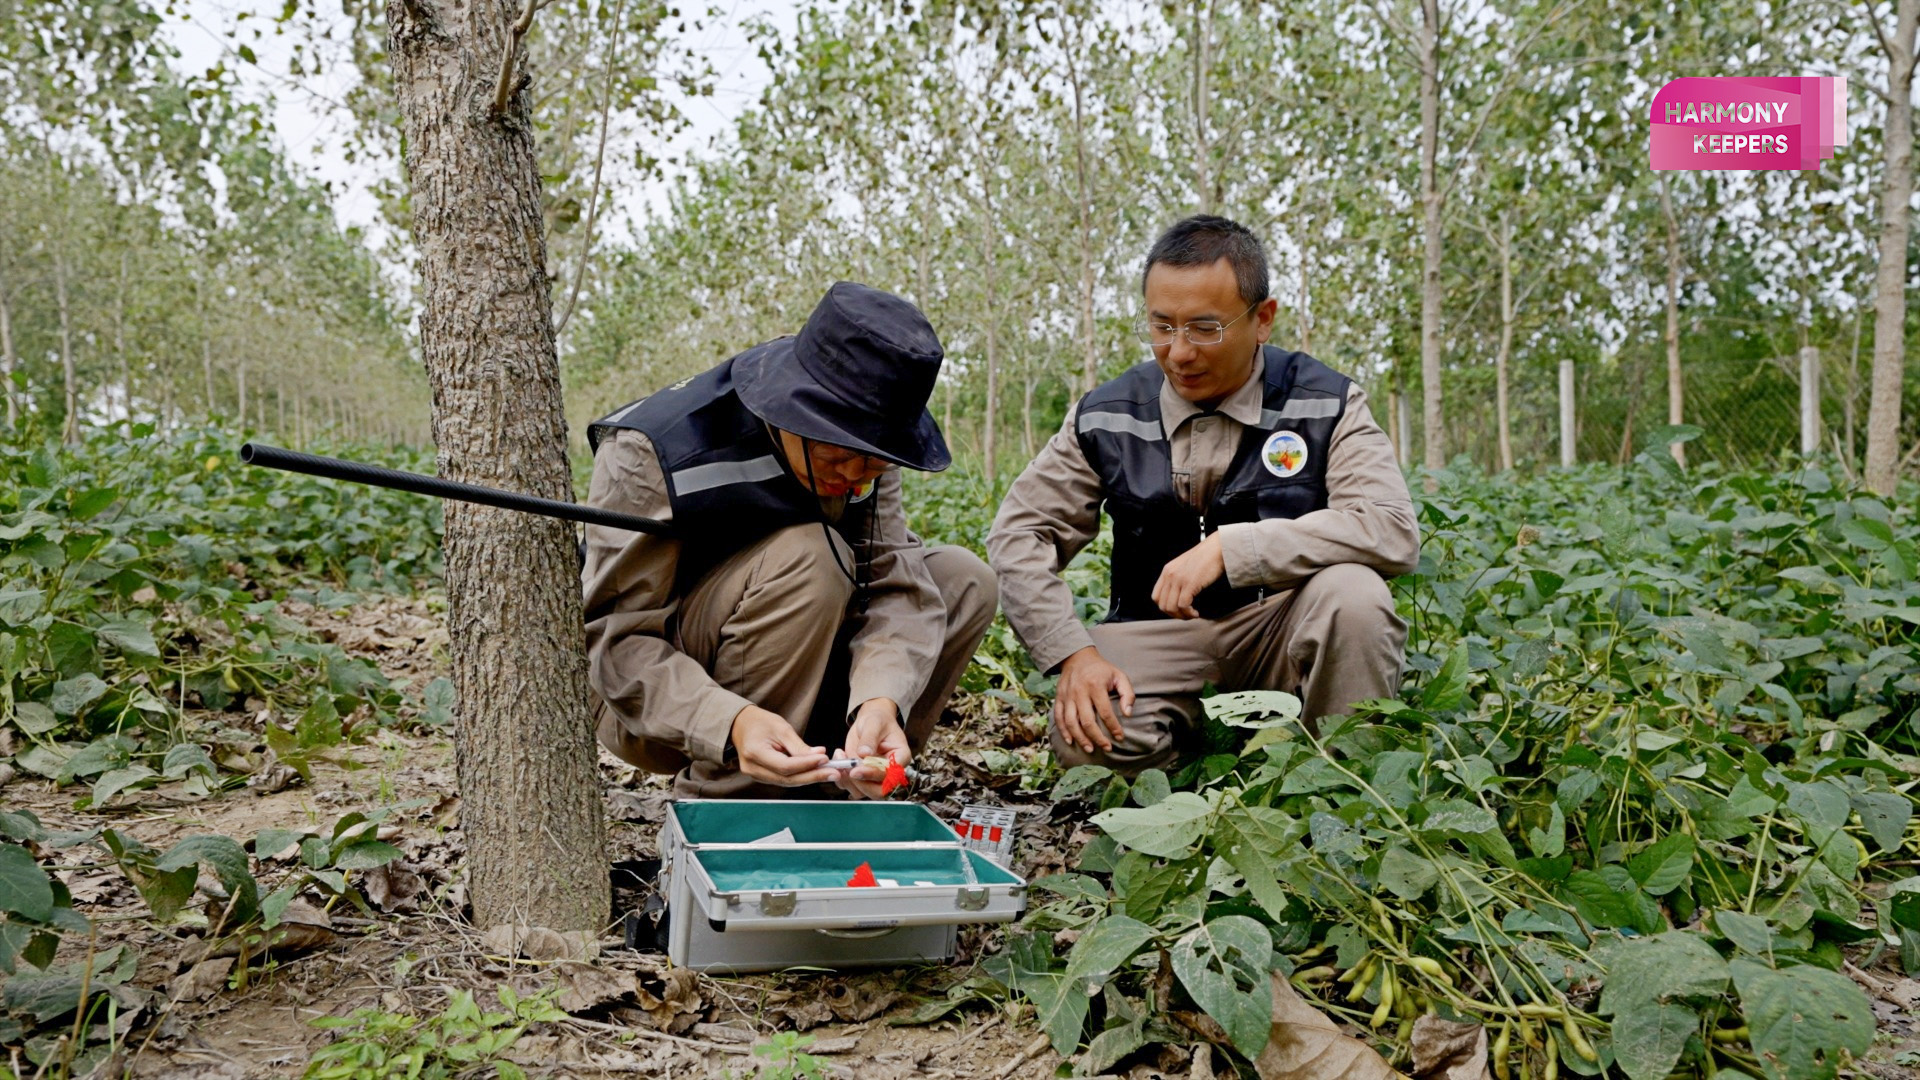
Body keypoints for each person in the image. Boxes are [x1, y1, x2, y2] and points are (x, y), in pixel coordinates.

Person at [986, 215, 1419, 776]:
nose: (1179, 353)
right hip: (1157, 637)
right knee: (1090, 738)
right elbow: (1019, 533)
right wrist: (1073, 654)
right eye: (1161, 326)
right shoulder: (1108, 413)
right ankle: (1193, 784)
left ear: (1263, 319)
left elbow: (1390, 527)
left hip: (1278, 631)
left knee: (1355, 597)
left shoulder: (1326, 402)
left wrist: (1232, 550)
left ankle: (1335, 787)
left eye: (1205, 329)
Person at [582, 282, 996, 800]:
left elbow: (894, 585)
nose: (858, 477)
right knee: (808, 554)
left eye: (876, 461)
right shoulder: (649, 452)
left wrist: (880, 701)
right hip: (661, 703)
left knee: (962, 579)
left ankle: (855, 776)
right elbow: (618, 644)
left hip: (800, 660)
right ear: (794, 410)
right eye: (841, 456)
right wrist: (732, 722)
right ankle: (731, 807)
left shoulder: (864, 455)